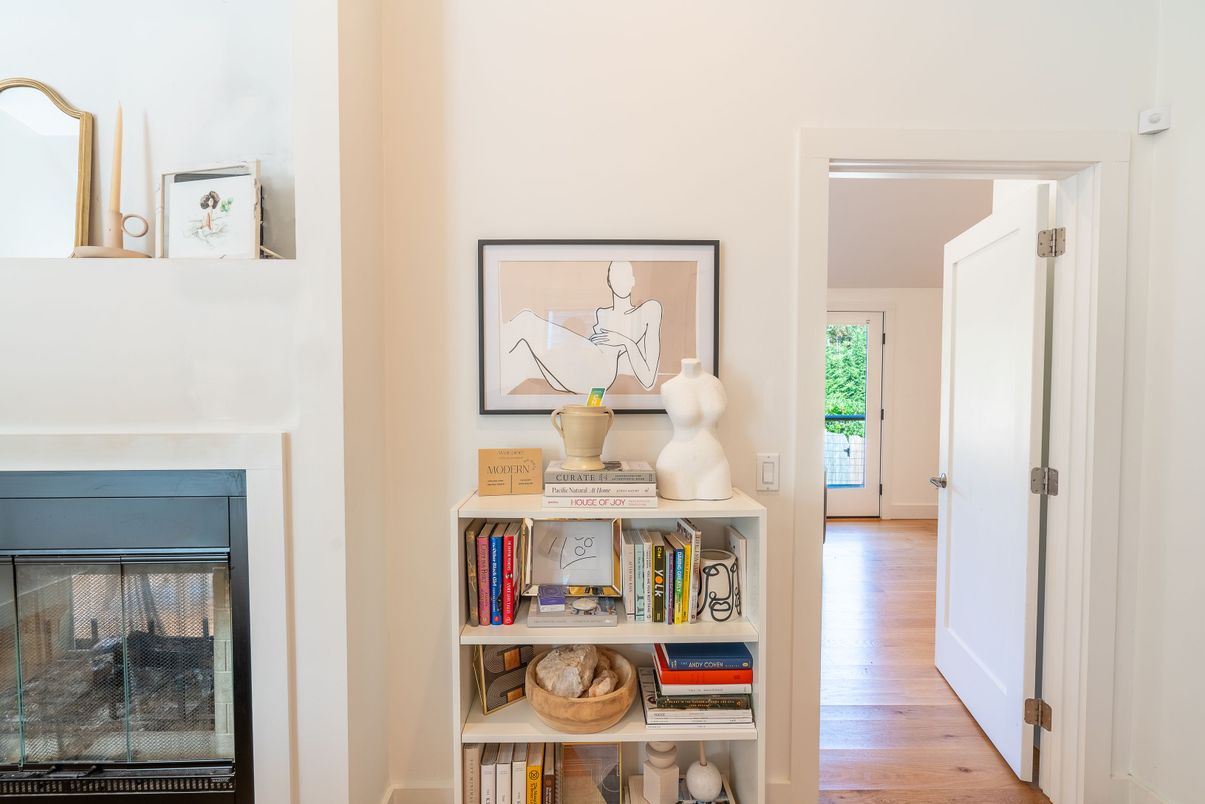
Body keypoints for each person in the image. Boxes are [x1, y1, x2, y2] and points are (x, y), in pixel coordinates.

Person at [504, 260, 663, 394]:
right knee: (523, 334)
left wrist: (624, 341)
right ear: (609, 282)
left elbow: (648, 380)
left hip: (598, 377)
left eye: (625, 276)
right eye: (616, 276)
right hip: (580, 368)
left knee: (525, 320)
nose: (621, 281)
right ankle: (495, 390)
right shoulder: (602, 313)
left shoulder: (649, 309)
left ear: (633, 280)